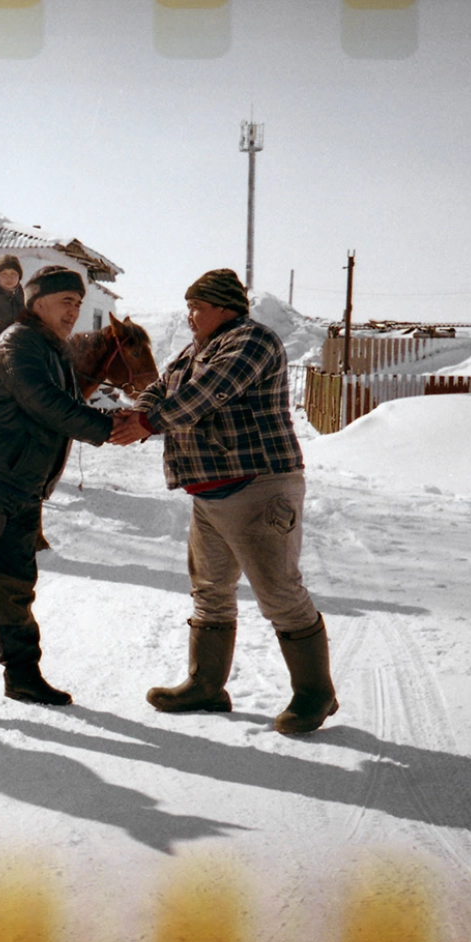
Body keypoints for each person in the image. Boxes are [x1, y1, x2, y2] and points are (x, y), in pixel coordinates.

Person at [0, 265, 147, 715]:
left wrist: (118, 420)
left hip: (22, 482)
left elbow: (66, 403)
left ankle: (22, 674)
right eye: (66, 302)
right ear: (38, 304)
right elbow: (46, 403)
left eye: (78, 304)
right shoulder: (18, 342)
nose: (74, 312)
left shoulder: (52, 350)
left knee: (18, 582)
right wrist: (106, 428)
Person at [126, 267, 337, 734]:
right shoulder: (194, 350)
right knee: (210, 594)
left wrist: (148, 423)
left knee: (280, 593)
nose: (189, 317)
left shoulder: (252, 341)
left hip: (259, 487)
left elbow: (206, 395)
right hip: (209, 493)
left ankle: (315, 694)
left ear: (226, 307)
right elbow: (161, 390)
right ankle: (206, 685)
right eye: (188, 307)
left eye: (197, 308)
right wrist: (141, 412)